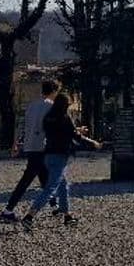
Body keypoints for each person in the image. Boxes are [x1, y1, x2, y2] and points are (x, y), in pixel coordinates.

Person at [21, 93, 101, 230]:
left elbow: (60, 132)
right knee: (50, 189)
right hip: (60, 156)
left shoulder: (48, 118)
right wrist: (93, 142)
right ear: (65, 105)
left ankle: (67, 216)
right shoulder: (65, 118)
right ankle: (29, 216)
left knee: (63, 186)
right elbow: (75, 136)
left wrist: (75, 130)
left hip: (48, 155)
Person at [0, 80, 59, 222]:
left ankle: (55, 206)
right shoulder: (51, 107)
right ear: (54, 91)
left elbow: (22, 125)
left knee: (44, 176)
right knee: (27, 179)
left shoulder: (32, 106)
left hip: (30, 146)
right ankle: (8, 209)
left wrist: (16, 143)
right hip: (42, 146)